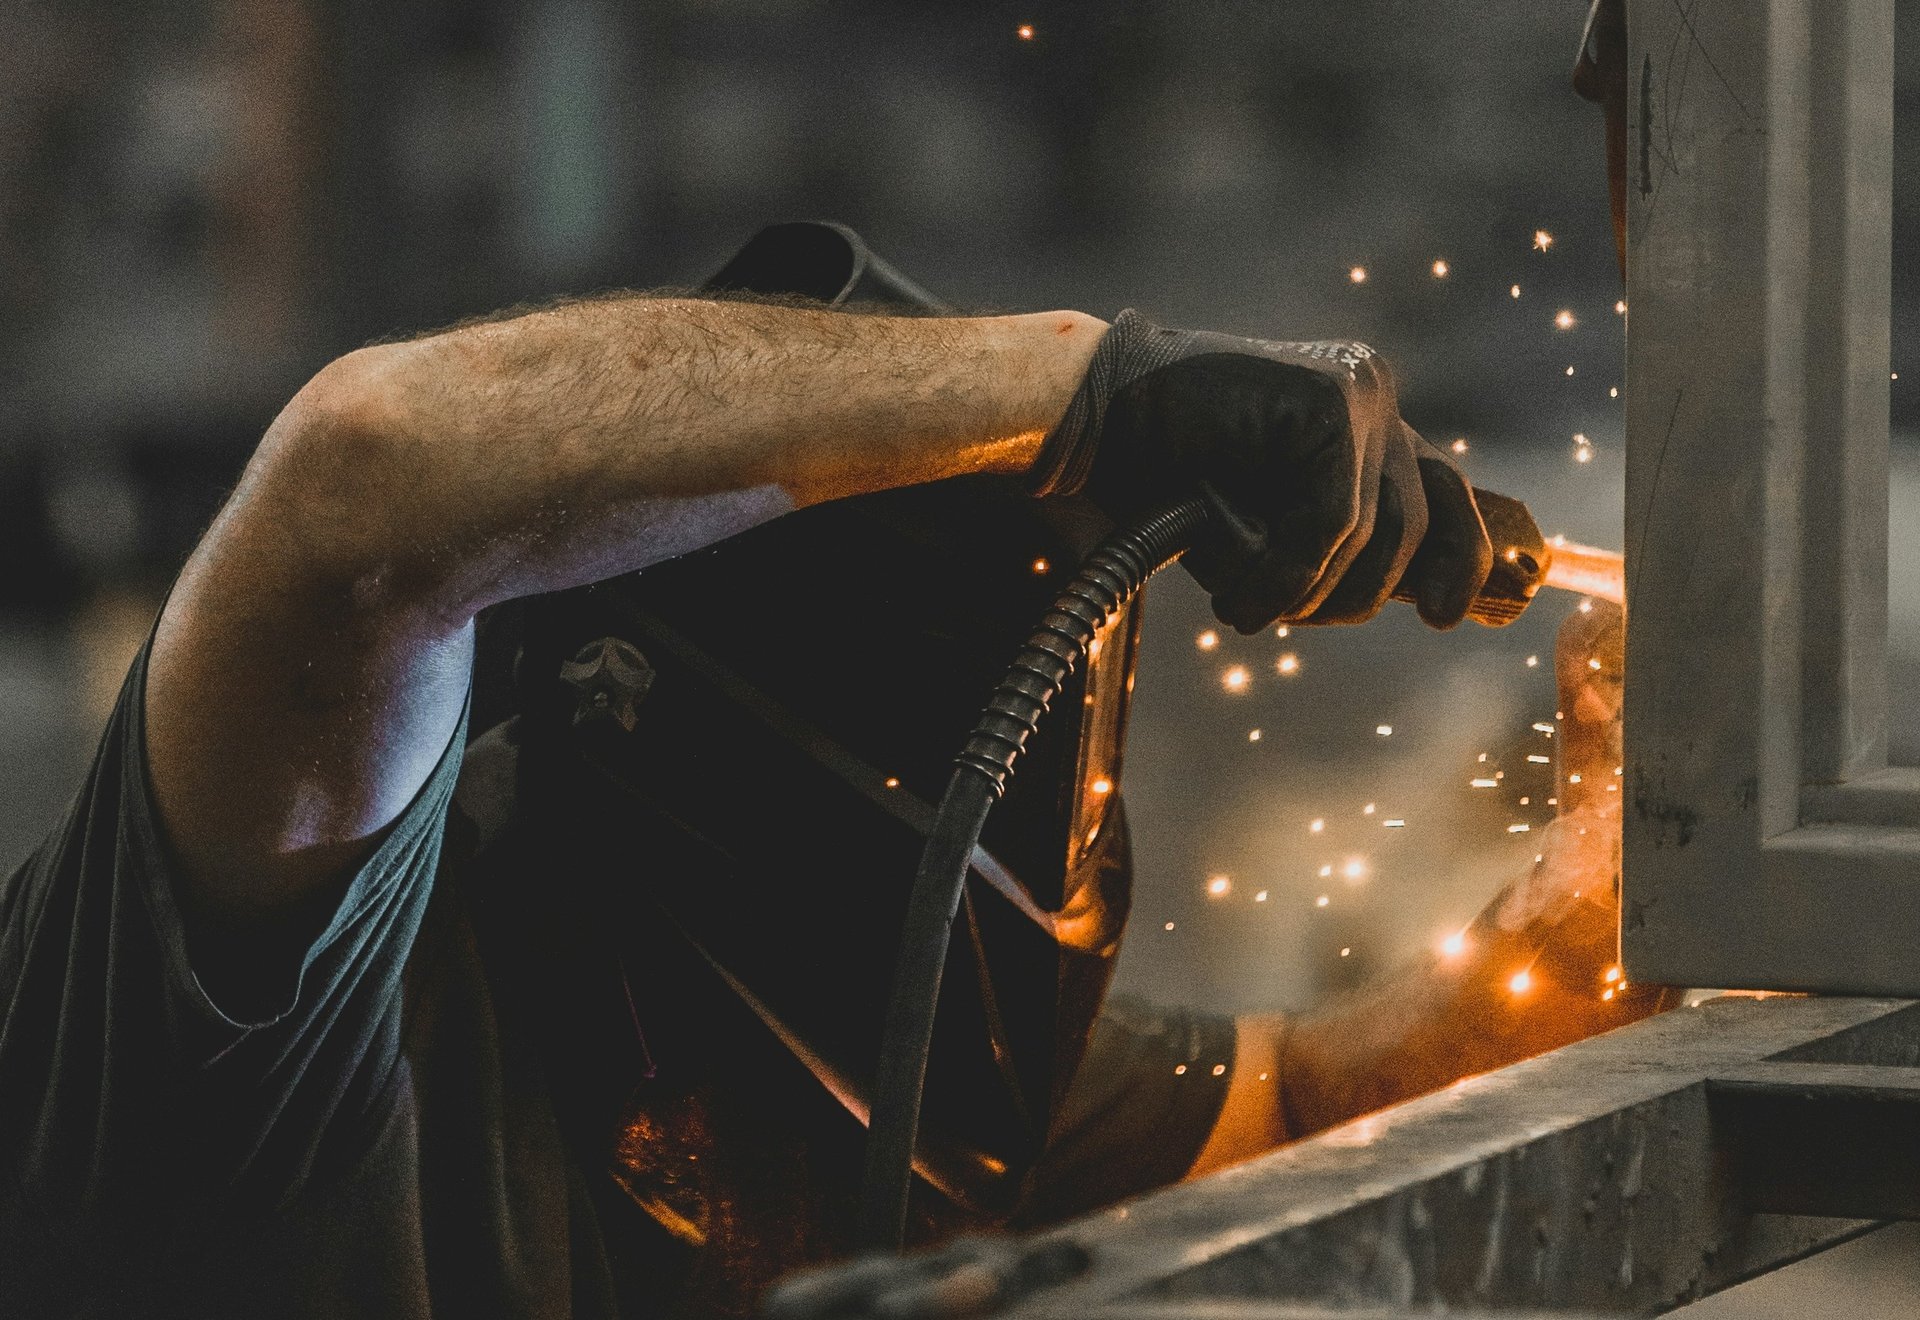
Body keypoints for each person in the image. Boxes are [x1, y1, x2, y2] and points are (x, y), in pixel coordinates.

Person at [0, 247, 1655, 1316]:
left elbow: (1302, 1115)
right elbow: (366, 477)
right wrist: (1094, 395)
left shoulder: (894, 1037)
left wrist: (1608, 886)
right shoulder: (263, 1012)